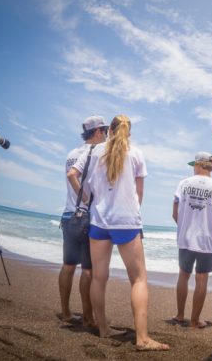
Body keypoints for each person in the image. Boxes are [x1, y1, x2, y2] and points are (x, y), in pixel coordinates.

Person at [68, 115, 168, 351]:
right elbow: (139, 193)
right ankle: (142, 338)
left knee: (99, 278)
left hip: (99, 220)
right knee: (139, 278)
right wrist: (131, 211)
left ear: (109, 130)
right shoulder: (135, 153)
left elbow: (72, 174)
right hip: (126, 221)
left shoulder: (93, 152)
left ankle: (103, 330)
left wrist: (85, 198)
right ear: (128, 133)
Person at [58, 116, 108, 326]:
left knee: (68, 265)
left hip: (68, 215)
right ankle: (88, 317)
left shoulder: (72, 153)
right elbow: (76, 177)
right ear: (97, 132)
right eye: (104, 131)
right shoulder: (94, 153)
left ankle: (66, 312)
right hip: (86, 217)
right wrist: (86, 197)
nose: (106, 135)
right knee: (88, 270)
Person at [172, 152, 212, 328]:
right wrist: (210, 232)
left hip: (186, 238)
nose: (193, 168)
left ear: (198, 164)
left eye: (194, 165)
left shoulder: (183, 184)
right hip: (206, 240)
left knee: (183, 275)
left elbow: (175, 213)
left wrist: (184, 227)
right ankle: (195, 320)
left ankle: (180, 315)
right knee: (201, 279)